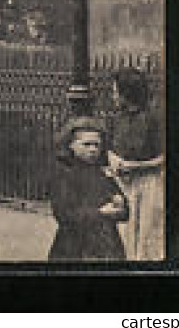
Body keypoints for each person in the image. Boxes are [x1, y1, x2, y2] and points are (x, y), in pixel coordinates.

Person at [48, 116, 128, 261]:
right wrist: (101, 213)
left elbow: (125, 213)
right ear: (71, 145)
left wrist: (120, 203)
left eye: (97, 145)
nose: (93, 149)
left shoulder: (103, 173)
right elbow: (64, 214)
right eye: (87, 144)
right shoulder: (65, 174)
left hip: (106, 244)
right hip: (74, 245)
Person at [108, 67, 165, 260]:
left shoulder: (152, 120)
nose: (113, 96)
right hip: (123, 183)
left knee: (146, 238)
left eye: (115, 91)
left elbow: (164, 158)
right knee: (126, 236)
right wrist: (114, 162)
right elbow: (109, 149)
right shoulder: (116, 119)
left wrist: (138, 166)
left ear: (127, 93)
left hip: (148, 184)